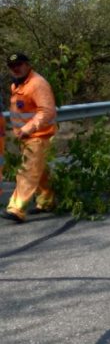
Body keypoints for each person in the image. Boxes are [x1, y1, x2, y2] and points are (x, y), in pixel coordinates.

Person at [1, 53, 57, 223]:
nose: (16, 68)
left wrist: (27, 128)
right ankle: (47, 201)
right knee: (39, 171)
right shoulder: (17, 85)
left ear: (27, 65)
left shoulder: (37, 84)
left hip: (38, 136)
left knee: (28, 172)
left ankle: (16, 208)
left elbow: (47, 111)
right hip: (26, 136)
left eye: (19, 65)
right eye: (12, 66)